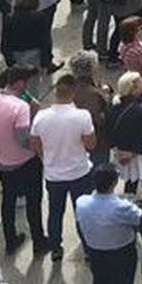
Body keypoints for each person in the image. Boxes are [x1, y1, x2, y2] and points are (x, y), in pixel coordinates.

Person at [0, 66, 47, 253]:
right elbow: (24, 139)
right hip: (26, 162)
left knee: (8, 201)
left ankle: (10, 240)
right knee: (34, 201)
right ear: (19, 82)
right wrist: (41, 149)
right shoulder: (20, 107)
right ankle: (39, 241)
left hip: (3, 162)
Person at [29, 72, 96, 262]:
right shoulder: (82, 116)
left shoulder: (41, 116)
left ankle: (56, 247)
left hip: (53, 174)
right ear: (73, 93)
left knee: (55, 212)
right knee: (82, 212)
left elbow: (34, 144)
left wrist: (46, 155)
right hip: (79, 172)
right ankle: (88, 247)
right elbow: (91, 144)